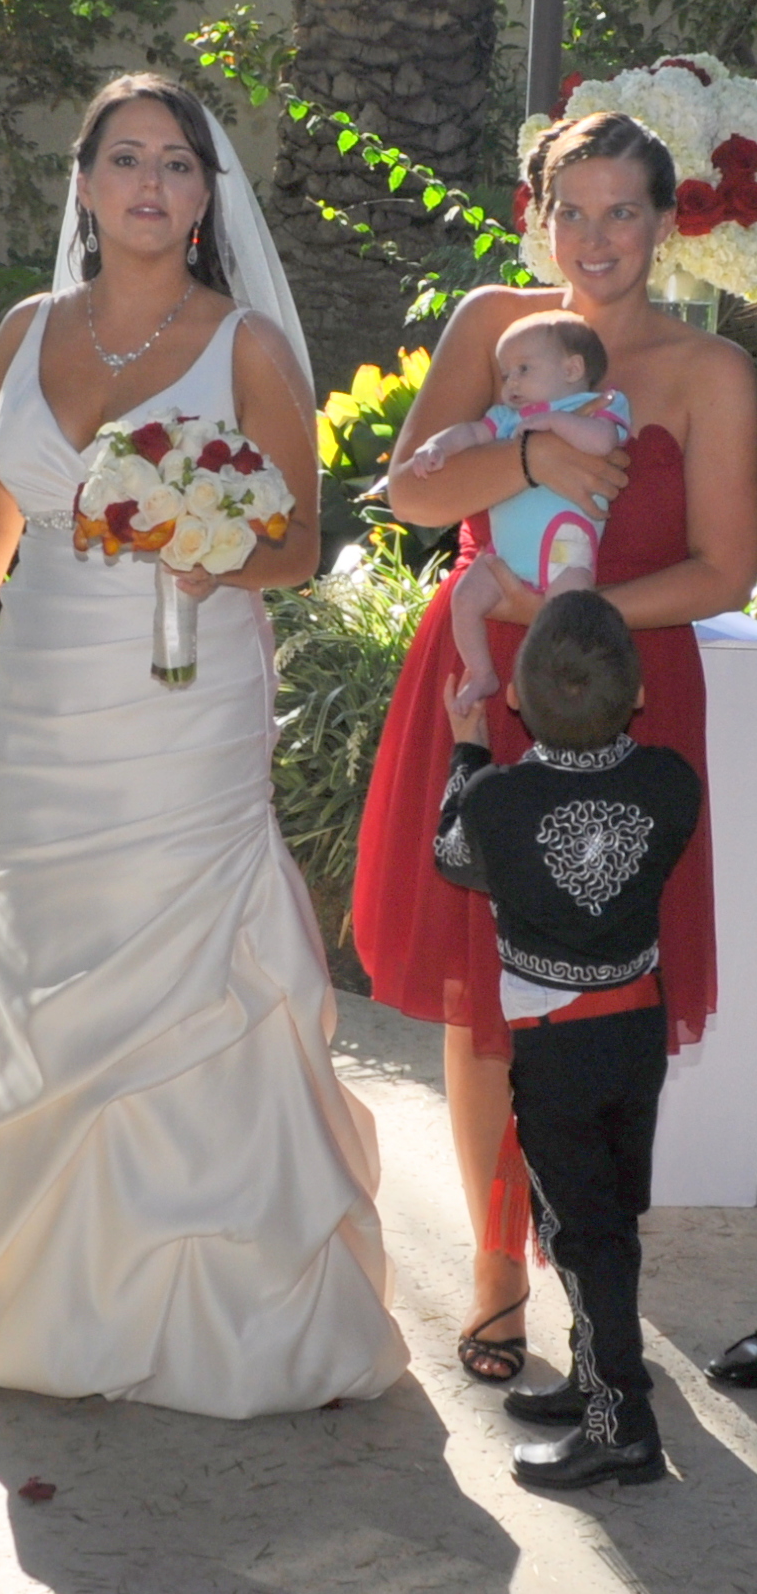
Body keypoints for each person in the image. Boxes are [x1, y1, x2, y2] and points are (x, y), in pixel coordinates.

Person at [0, 73, 408, 1416]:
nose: (150, 182)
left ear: (205, 196)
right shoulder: (24, 331)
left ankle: (216, 1313)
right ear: (83, 184)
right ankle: (47, 1297)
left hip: (183, 703)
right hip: (45, 698)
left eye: (177, 162)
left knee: (188, 970)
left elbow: (298, 542)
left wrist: (209, 549)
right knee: (43, 948)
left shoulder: (245, 345)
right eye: (125, 158)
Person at [352, 111, 757, 1384]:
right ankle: (494, 1272)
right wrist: (527, 453)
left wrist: (567, 620)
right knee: (483, 1001)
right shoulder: (494, 325)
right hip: (482, 686)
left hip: (630, 696)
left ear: (669, 219)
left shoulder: (710, 371)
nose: (595, 238)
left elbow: (725, 570)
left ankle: (597, 1293)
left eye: (623, 210)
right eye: (570, 210)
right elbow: (412, 492)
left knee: (598, 1010)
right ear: (538, 217)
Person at [435, 590, 701, 1488]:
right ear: (637, 696)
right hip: (635, 1030)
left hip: (557, 1045)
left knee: (581, 1234)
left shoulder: (499, 801)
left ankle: (620, 1424)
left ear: (515, 696)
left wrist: (468, 750)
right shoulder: (671, 781)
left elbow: (450, 854)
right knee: (607, 1220)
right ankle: (595, 1377)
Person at [411, 311, 630, 713]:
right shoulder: (507, 418)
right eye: (506, 374)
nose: (511, 383)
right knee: (465, 599)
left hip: (563, 545)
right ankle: (482, 672)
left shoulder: (593, 405)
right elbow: (471, 433)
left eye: (523, 370)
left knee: (569, 617)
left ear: (572, 368)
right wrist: (437, 447)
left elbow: (603, 442)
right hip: (505, 552)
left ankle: (561, 697)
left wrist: (555, 422)